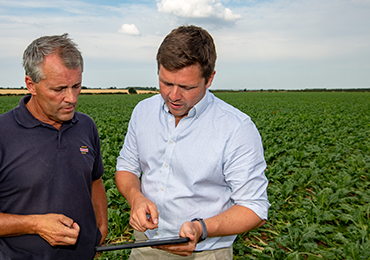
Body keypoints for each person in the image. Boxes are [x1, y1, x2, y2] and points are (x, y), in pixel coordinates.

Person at [115, 25, 270, 259]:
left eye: (187, 87)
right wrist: (136, 198)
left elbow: (254, 208)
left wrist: (202, 228)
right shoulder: (143, 111)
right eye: (166, 83)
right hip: (146, 244)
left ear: (210, 79)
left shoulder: (237, 128)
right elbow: (126, 167)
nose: (174, 95)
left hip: (206, 252)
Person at [0, 34, 108, 259]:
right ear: (32, 85)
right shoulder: (3, 133)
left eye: (76, 86)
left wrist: (100, 227)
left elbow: (95, 181)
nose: (71, 98)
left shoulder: (86, 126)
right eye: (59, 89)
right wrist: (34, 225)